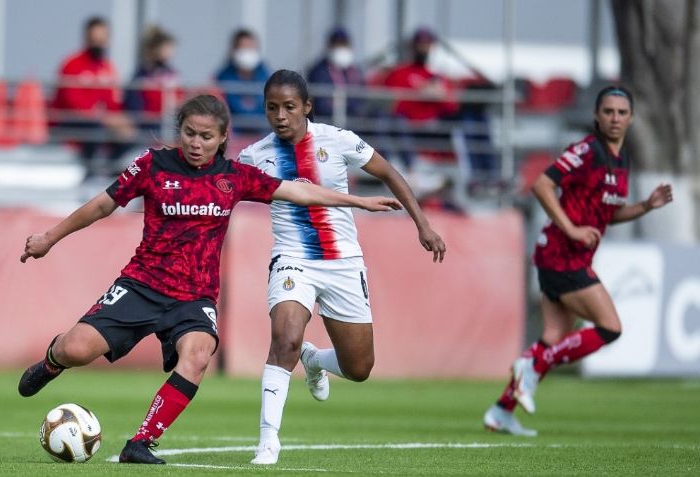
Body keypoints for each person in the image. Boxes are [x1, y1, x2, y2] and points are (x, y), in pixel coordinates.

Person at [17, 94, 402, 465]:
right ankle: (52, 362)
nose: (196, 143)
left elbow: (298, 190)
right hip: (141, 284)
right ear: (179, 131)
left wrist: (360, 201)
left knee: (198, 354)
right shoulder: (153, 165)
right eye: (189, 133)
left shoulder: (233, 177)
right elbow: (104, 203)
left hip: (194, 297)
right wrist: (49, 238)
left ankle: (142, 441)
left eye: (205, 136)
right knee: (76, 350)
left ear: (222, 139)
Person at [239, 70, 446, 465]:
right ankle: (267, 442)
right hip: (293, 259)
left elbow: (388, 173)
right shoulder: (254, 156)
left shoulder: (338, 140)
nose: (280, 116)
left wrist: (423, 224)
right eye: (272, 108)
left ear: (307, 107)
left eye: (288, 107)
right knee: (284, 340)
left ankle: (315, 361)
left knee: (359, 367)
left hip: (343, 263)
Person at [482, 86, 674, 436]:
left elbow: (607, 216)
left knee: (554, 336)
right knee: (610, 327)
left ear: (630, 118)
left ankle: (501, 411)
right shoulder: (586, 151)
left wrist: (646, 206)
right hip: (561, 255)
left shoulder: (621, 159)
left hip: (569, 255)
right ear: (596, 116)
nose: (615, 118)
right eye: (609, 111)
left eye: (621, 112)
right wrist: (570, 228)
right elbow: (541, 185)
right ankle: (532, 366)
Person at [50, 16, 136, 169]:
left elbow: (113, 103)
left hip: (100, 122)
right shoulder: (72, 64)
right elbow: (72, 103)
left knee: (134, 133)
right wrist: (105, 119)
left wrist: (120, 120)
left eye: (102, 39)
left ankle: (108, 170)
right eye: (94, 38)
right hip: (72, 121)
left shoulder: (107, 68)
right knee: (95, 130)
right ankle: (91, 172)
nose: (98, 43)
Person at [383, 27, 460, 168]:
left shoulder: (438, 77)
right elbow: (393, 105)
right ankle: (411, 168)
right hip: (408, 127)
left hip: (433, 129)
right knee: (396, 123)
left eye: (427, 44)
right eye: (420, 44)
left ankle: (479, 176)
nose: (423, 48)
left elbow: (452, 107)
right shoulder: (400, 73)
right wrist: (419, 93)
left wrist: (439, 95)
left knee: (467, 123)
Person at [123, 25, 181, 137]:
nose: (170, 52)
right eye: (167, 48)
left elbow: (178, 100)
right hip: (148, 127)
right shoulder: (142, 75)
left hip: (168, 125)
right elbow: (134, 105)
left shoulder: (172, 74)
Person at [215, 28, 270, 134]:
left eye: (250, 47)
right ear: (234, 50)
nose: (247, 51)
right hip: (233, 135)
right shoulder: (222, 77)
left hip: (263, 133)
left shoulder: (267, 77)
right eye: (243, 47)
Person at [306, 27, 364, 121]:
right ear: (329, 46)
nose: (341, 48)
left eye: (344, 44)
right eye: (337, 44)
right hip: (327, 121)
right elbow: (321, 104)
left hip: (353, 120)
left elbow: (362, 98)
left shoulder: (355, 70)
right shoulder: (318, 71)